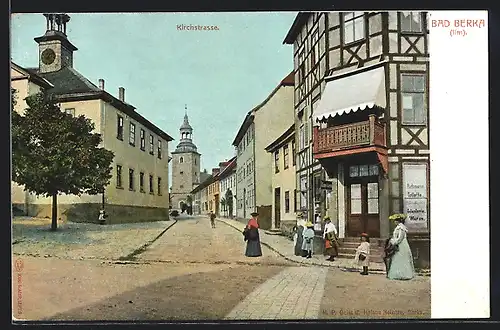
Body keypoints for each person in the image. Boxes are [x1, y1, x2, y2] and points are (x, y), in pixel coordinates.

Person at [387, 214, 415, 280]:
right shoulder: (398, 227)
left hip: (401, 245)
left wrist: (393, 242)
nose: (394, 222)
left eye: (395, 221)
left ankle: (404, 274)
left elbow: (400, 238)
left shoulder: (401, 228)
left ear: (398, 221)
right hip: (399, 244)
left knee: (401, 258)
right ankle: (398, 274)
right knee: (397, 259)